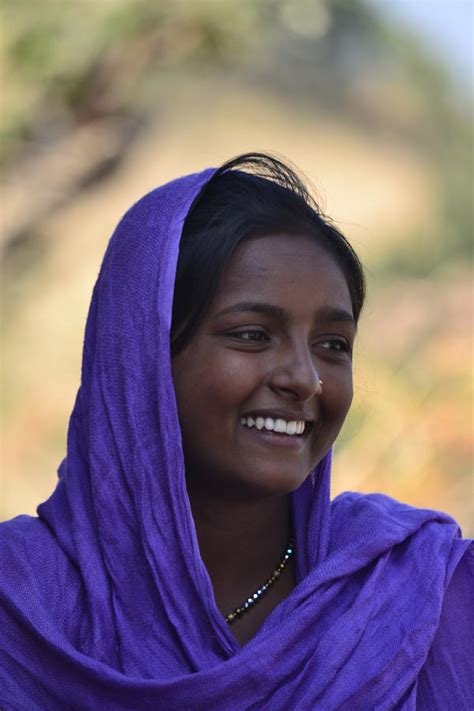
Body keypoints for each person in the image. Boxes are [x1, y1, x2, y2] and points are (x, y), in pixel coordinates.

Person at [0, 153, 472, 710]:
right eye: (252, 335)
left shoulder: (423, 596)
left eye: (333, 345)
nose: (306, 379)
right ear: (141, 359)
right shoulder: (23, 614)